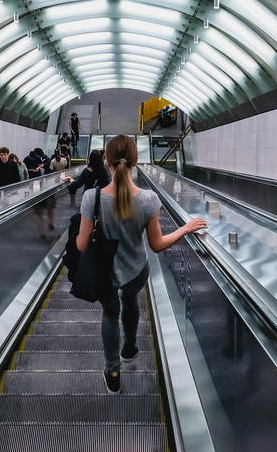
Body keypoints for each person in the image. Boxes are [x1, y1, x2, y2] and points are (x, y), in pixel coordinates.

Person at [75, 135, 206, 393]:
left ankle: (113, 370)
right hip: (135, 269)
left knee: (110, 313)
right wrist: (185, 228)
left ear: (106, 162)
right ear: (135, 162)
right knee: (131, 300)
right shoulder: (148, 199)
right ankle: (130, 347)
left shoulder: (92, 198)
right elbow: (157, 244)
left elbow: (81, 245)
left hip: (103, 273)